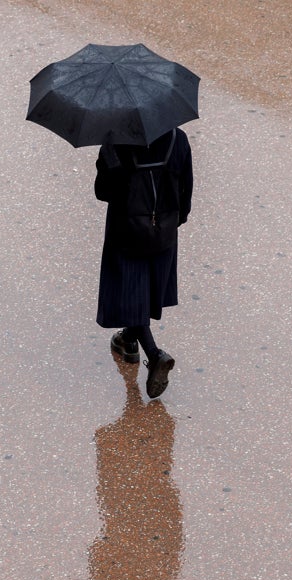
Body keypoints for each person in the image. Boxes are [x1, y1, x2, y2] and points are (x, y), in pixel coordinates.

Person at [94, 127, 193, 398]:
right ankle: (128, 338)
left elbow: (103, 192)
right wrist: (173, 222)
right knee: (144, 290)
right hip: (164, 230)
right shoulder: (178, 138)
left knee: (130, 290)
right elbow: (186, 191)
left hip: (126, 232)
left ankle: (153, 353)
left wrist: (107, 159)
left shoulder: (116, 142)